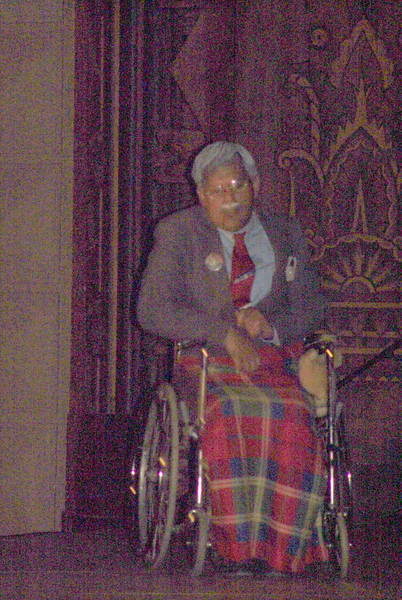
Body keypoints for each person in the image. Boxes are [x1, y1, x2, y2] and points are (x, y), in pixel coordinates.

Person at [137, 141, 328, 575]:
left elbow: (314, 304)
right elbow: (151, 309)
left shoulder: (285, 232)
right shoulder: (178, 233)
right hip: (207, 359)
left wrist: (271, 325)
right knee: (226, 414)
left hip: (273, 358)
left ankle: (284, 549)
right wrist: (222, 331)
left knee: (294, 415)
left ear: (255, 185)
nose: (230, 198)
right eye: (218, 190)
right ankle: (235, 546)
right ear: (201, 195)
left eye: (238, 185)